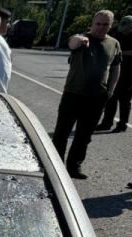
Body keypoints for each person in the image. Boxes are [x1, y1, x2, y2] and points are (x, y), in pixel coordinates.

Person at [51, 10, 122, 180]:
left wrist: (111, 90)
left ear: (111, 25)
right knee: (61, 133)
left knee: (84, 136)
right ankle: (55, 166)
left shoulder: (114, 43)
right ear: (92, 23)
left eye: (105, 24)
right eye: (98, 24)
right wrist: (78, 40)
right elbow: (71, 43)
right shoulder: (82, 39)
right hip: (73, 94)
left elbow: (115, 67)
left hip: (97, 97)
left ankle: (74, 166)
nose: (101, 27)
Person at [96, 15, 132, 132]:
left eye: (126, 29)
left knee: (125, 99)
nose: (124, 31)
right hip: (115, 69)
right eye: (123, 28)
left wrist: (122, 53)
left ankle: (122, 125)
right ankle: (107, 122)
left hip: (130, 71)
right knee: (111, 96)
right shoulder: (119, 33)